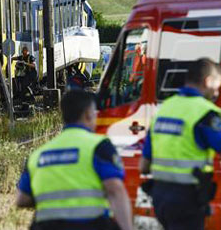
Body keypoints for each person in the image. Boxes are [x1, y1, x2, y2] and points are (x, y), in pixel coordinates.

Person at [139, 58, 221, 230]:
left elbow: (144, 166)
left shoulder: (164, 110)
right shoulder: (205, 114)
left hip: (160, 198)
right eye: (216, 87)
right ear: (208, 81)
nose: (216, 93)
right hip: (187, 200)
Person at [16, 90, 133, 230]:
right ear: (88, 115)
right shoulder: (98, 146)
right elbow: (115, 190)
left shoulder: (37, 155)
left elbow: (22, 199)